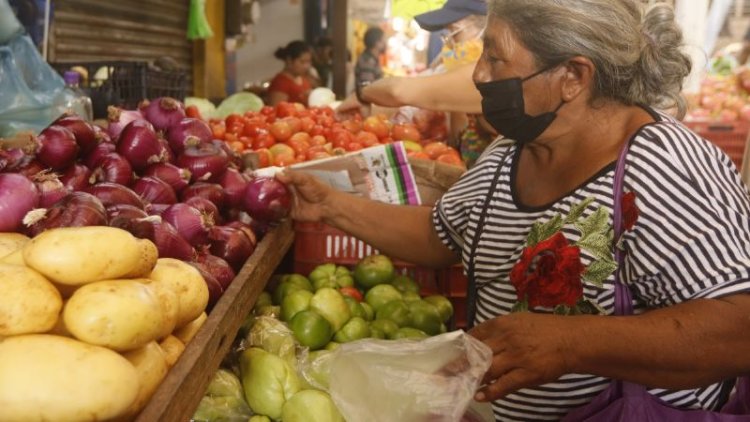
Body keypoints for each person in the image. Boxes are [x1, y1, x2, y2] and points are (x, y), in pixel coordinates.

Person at [281, 0, 750, 420]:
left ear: (573, 76)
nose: (480, 75)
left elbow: (738, 325)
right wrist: (332, 206)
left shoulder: (663, 168)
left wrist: (570, 344)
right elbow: (439, 235)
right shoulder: (510, 153)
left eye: (495, 56)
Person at [341, 0, 492, 167]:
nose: (449, 44)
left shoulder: (486, 76)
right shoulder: (462, 70)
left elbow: (399, 91)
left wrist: (362, 93)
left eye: (454, 33)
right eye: (446, 35)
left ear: (488, 30)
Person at [267, 40, 313, 106]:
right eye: (302, 62)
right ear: (289, 60)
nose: (306, 66)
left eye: (308, 62)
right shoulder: (280, 83)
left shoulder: (304, 79)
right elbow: (278, 111)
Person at [354, 27, 385, 93]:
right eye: (383, 40)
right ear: (377, 42)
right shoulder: (367, 61)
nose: (385, 43)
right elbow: (367, 87)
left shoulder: (372, 59)